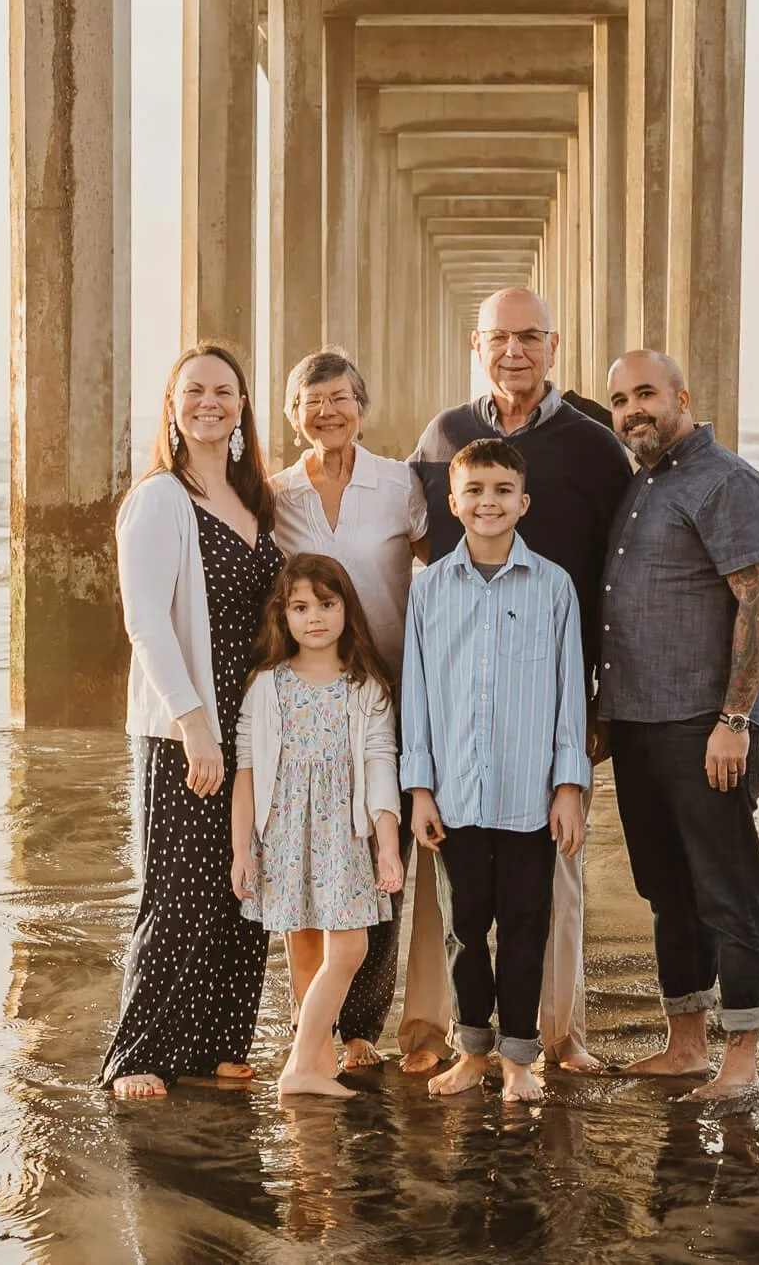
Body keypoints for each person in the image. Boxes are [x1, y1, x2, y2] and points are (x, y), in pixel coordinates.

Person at [409, 287, 632, 1071]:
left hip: (552, 696)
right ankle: (444, 1031)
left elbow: (620, 571)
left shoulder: (597, 444)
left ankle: (556, 1033)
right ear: (476, 345)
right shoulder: (444, 436)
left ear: (554, 343)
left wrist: (604, 700)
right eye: (499, 337)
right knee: (457, 894)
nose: (514, 351)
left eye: (530, 337)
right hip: (464, 695)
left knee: (552, 885)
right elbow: (415, 541)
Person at [99, 344, 282, 1099]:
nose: (211, 402)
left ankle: (216, 1044)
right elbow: (145, 618)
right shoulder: (159, 498)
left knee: (244, 883)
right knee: (177, 890)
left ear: (242, 408)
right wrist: (193, 721)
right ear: (172, 407)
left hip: (253, 726)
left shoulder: (253, 501)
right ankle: (138, 1053)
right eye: (195, 390)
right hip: (188, 726)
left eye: (225, 391)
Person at [599, 351, 759, 1101]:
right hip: (640, 725)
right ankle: (685, 1043)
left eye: (646, 392)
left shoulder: (726, 480)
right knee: (667, 889)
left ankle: (741, 1057)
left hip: (705, 727)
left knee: (727, 887)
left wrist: (734, 719)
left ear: (682, 394)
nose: (632, 408)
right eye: (619, 399)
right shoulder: (643, 481)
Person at [267, 351, 453, 1074]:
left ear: (362, 408)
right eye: (312, 403)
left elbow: (441, 568)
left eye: (341, 399)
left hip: (393, 696)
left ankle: (359, 1026)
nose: (327, 413)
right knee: (309, 861)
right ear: (292, 416)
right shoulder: (277, 494)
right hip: (309, 699)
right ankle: (305, 1017)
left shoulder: (398, 484)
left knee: (382, 863)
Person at [399, 439, 591, 1101]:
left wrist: (569, 786)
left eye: (502, 490)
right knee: (463, 926)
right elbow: (416, 694)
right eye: (475, 490)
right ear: (452, 503)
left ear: (523, 502)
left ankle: (519, 1058)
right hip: (453, 794)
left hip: (529, 795)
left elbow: (572, 694)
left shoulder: (554, 586)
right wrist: (419, 788)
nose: (488, 502)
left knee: (526, 924)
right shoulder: (428, 591)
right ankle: (472, 1049)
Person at [232, 555, 406, 1097]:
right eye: (300, 607)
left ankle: (303, 1064)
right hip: (284, 833)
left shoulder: (365, 685)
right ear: (282, 615)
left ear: (345, 609)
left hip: (343, 835)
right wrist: (242, 851)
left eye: (326, 605)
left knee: (349, 950)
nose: (314, 618)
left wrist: (387, 844)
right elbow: (247, 773)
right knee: (304, 948)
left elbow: (381, 764)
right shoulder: (266, 685)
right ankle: (314, 1057)